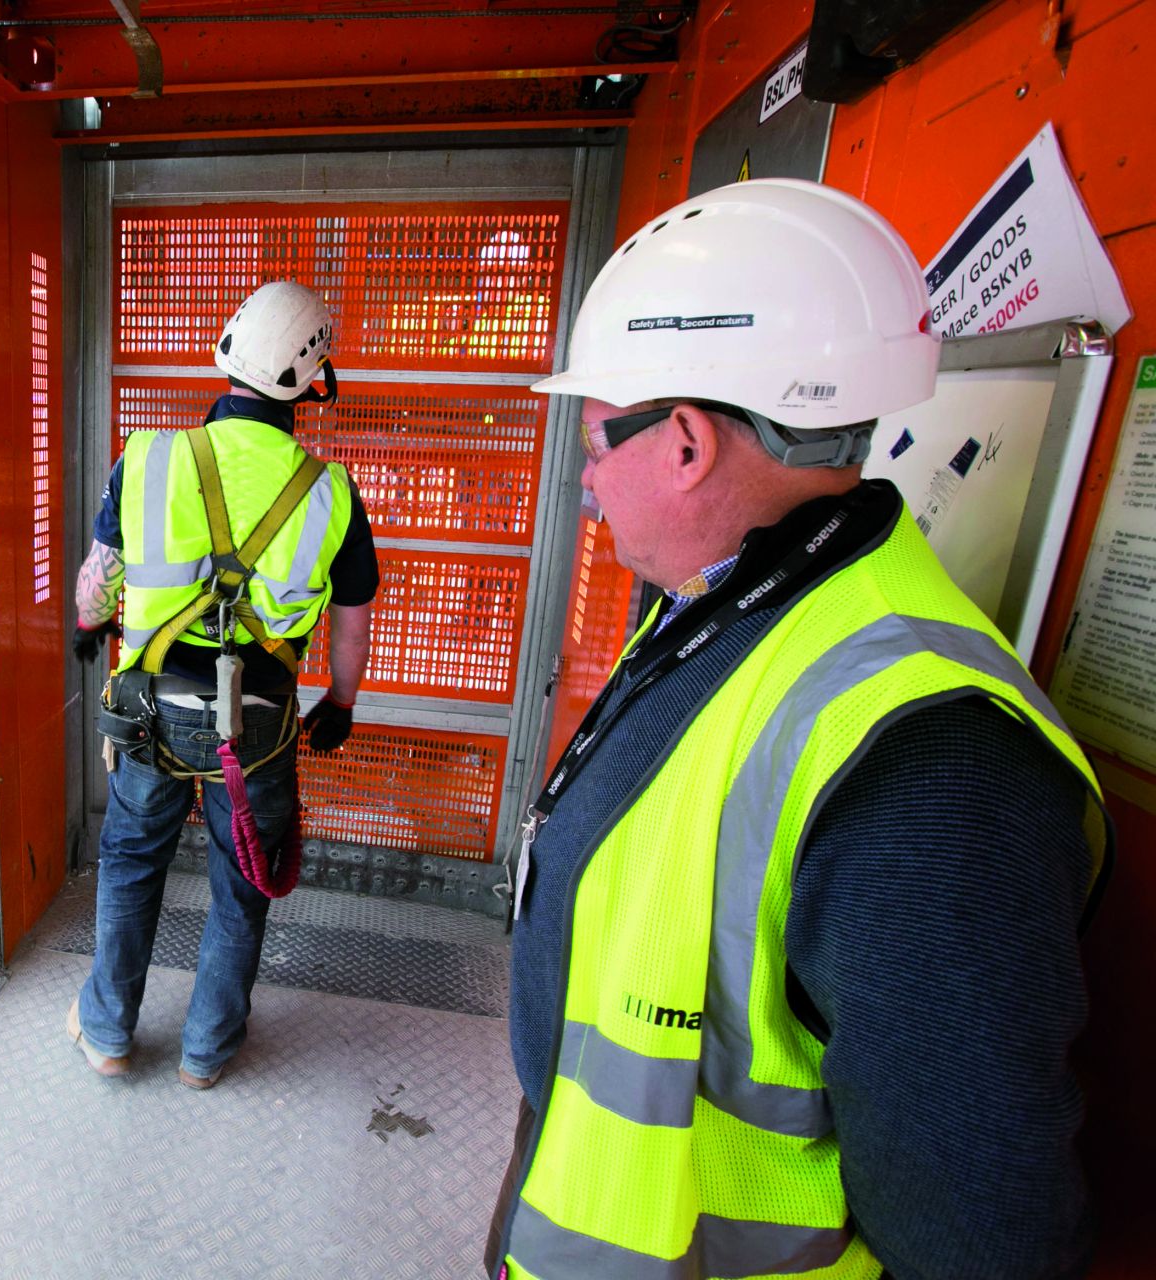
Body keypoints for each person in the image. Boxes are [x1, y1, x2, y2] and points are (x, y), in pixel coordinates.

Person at [487, 179, 1113, 1280]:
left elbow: (982, 1229)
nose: (585, 481)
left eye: (594, 441)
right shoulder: (739, 598)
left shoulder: (933, 769)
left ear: (684, 442)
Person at [66, 280, 378, 1090]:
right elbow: (351, 625)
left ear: (227, 352)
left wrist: (90, 625)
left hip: (150, 716)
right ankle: (207, 1048)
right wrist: (341, 701)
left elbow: (94, 589)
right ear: (315, 381)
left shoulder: (147, 458)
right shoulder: (332, 492)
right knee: (244, 880)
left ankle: (106, 1032)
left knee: (133, 861)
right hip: (261, 724)